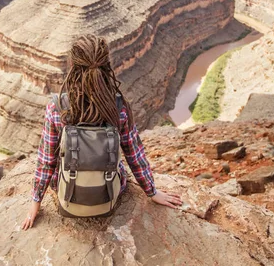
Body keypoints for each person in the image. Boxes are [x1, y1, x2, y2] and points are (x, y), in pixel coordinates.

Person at [22, 34, 182, 230]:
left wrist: (35, 203)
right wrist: (151, 192)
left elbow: (47, 161)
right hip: (109, 195)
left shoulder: (58, 108)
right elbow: (134, 155)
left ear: (72, 67)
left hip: (67, 195)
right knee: (119, 166)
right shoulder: (118, 107)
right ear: (107, 67)